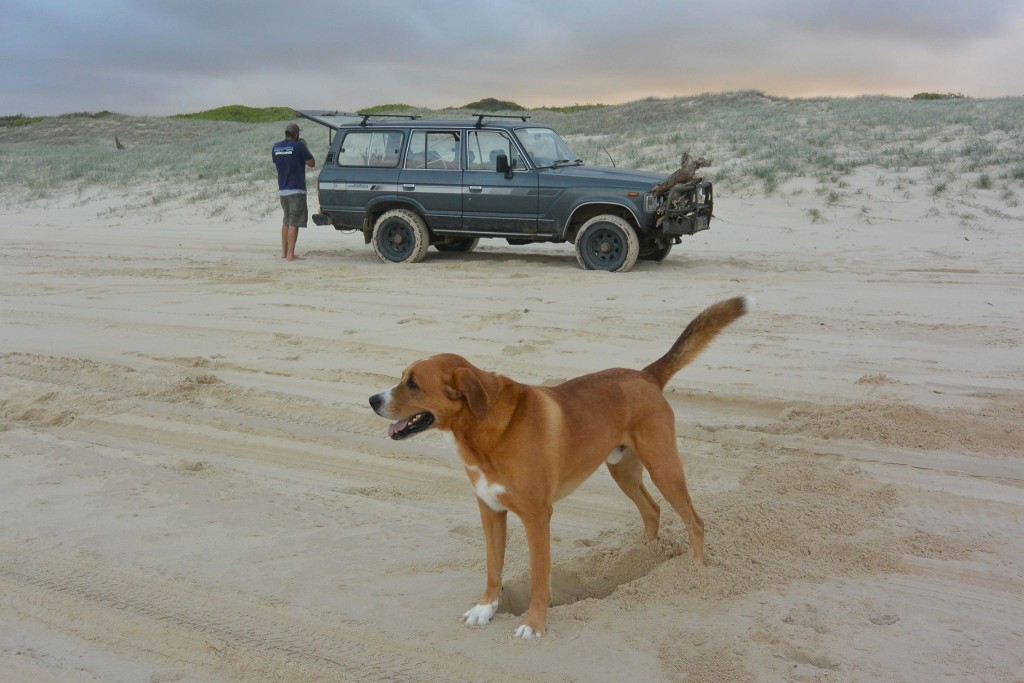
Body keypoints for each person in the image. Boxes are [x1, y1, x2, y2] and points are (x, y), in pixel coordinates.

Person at [272, 122, 315, 261]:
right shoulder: (299, 146)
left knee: (286, 220)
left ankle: (284, 253)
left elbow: (277, 162)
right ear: (296, 134)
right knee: (294, 222)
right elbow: (311, 163)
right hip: (296, 189)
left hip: (283, 189)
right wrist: (305, 147)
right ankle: (291, 254)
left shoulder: (276, 147)